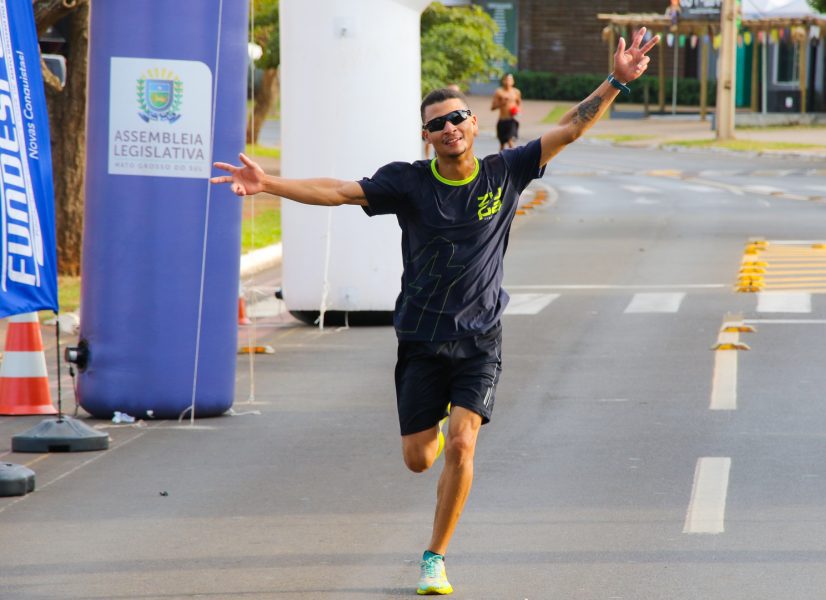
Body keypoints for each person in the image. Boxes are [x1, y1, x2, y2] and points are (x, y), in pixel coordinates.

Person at [211, 27, 658, 596]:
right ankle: (437, 436)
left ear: (474, 124)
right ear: (426, 137)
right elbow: (340, 191)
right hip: (421, 338)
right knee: (420, 458)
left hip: (480, 338)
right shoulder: (409, 183)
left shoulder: (505, 171)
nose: (450, 128)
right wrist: (269, 183)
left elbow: (570, 127)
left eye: (458, 118)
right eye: (438, 123)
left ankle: (434, 557)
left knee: (464, 443)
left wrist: (617, 79)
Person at [491, 73, 522, 150]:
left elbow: (519, 104)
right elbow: (493, 107)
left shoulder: (516, 92)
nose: (508, 81)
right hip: (502, 121)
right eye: (506, 79)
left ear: (513, 81)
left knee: (510, 141)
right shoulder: (499, 92)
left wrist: (517, 111)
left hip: (512, 121)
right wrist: (502, 103)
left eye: (510, 80)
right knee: (502, 145)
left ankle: (514, 156)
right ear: (503, 81)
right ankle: (501, 157)